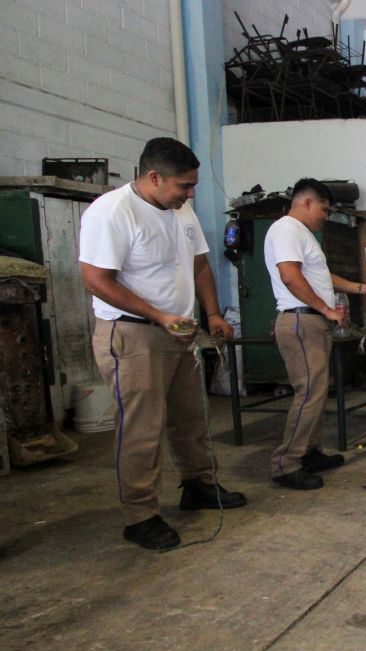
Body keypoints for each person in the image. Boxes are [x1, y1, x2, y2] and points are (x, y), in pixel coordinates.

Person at [80, 137, 247, 551]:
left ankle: (197, 484)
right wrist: (159, 316)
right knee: (141, 428)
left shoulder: (180, 210)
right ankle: (140, 515)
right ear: (154, 177)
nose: (191, 194)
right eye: (183, 186)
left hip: (181, 332)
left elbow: (200, 264)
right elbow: (97, 280)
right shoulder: (112, 212)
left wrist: (211, 314)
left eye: (192, 186)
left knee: (190, 417)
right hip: (133, 334)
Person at [266, 178, 366, 491]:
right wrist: (326, 309)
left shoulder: (303, 234)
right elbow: (290, 277)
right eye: (324, 209)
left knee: (316, 392)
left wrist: (360, 288)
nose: (326, 216)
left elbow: (320, 276)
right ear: (307, 203)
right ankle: (286, 463)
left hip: (312, 322)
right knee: (308, 394)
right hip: (302, 322)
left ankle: (309, 452)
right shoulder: (287, 228)